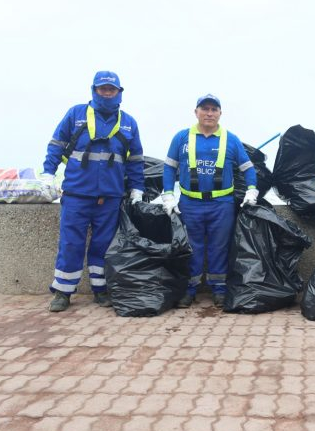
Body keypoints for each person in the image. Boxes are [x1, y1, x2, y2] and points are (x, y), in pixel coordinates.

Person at [42, 71, 145, 312]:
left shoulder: (129, 122)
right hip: (77, 194)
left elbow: (136, 160)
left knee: (103, 245)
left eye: (112, 89)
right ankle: (63, 292)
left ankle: (101, 290)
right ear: (94, 90)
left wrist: (137, 188)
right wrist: (48, 172)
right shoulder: (76, 114)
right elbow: (56, 145)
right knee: (71, 244)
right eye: (103, 89)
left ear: (119, 92)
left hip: (110, 196)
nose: (107, 93)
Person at [161, 94, 258, 307]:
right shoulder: (181, 138)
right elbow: (169, 167)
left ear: (220, 113)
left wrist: (252, 190)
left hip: (221, 204)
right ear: (196, 112)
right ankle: (190, 289)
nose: (209, 113)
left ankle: (219, 289)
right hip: (190, 204)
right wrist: (168, 194)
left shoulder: (230, 139)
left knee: (219, 247)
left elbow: (248, 169)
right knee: (191, 247)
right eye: (204, 109)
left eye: (214, 109)